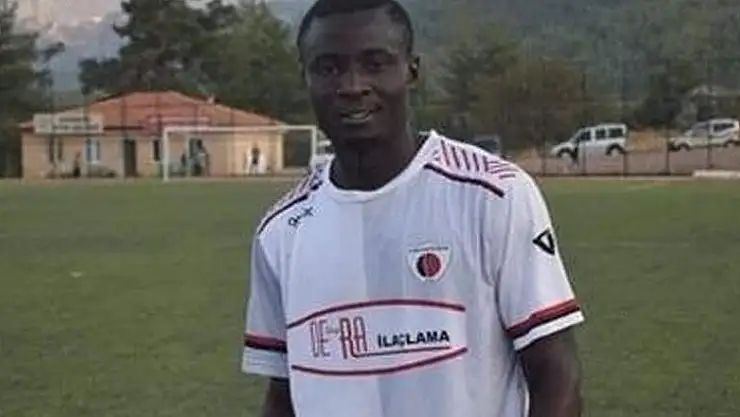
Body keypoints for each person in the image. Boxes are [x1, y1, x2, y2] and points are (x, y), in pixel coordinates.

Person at [242, 1, 585, 416]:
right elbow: (283, 395)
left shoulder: (494, 196)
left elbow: (555, 372)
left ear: (412, 70)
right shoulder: (281, 232)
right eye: (328, 68)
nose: (352, 85)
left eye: (375, 64)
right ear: (306, 78)